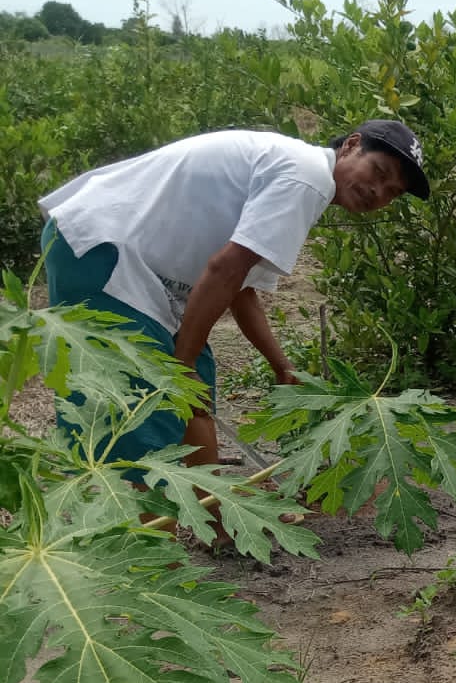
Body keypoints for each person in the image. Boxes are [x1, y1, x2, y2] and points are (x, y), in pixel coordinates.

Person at [38, 120, 429, 471]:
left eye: (392, 193)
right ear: (351, 145)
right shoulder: (308, 177)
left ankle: (221, 520)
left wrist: (281, 365)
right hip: (102, 249)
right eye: (379, 171)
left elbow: (241, 290)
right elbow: (226, 269)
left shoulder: (300, 173)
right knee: (148, 406)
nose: (378, 191)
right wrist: (182, 362)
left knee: (193, 396)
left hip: (142, 267)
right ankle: (152, 547)